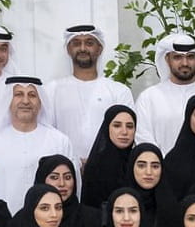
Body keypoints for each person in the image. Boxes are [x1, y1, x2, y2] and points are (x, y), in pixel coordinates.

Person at [47, 24, 135, 165]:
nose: (82, 48)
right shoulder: (52, 90)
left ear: (99, 49)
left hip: (109, 168)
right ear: (69, 49)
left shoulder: (119, 91)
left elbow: (127, 135)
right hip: (64, 171)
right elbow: (48, 133)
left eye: (89, 43)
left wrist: (96, 163)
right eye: (76, 43)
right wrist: (74, 163)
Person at [0, 77, 74, 209]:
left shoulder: (59, 141)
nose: (26, 101)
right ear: (8, 101)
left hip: (51, 222)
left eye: (32, 95)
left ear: (40, 102)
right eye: (18, 94)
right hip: (5, 223)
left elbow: (72, 188)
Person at [134, 32, 195, 145]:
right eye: (177, 57)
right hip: (162, 162)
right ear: (167, 60)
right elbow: (143, 137)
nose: (185, 63)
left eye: (190, 57)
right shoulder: (149, 98)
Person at [80, 104, 138, 210]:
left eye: (129, 126)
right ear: (107, 128)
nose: (124, 132)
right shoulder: (96, 166)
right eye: (117, 125)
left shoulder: (139, 164)